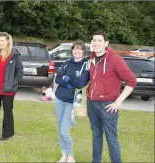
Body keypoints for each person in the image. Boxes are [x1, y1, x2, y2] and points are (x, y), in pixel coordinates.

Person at [86, 31, 136, 163]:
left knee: (111, 138)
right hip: (91, 103)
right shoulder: (91, 57)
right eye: (94, 40)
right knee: (96, 135)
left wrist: (118, 101)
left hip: (107, 105)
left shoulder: (115, 59)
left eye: (99, 40)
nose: (96, 43)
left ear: (106, 43)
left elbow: (131, 80)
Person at [54, 41, 90, 162]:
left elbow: (81, 83)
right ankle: (63, 154)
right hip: (59, 99)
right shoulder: (66, 63)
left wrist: (67, 78)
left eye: (80, 49)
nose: (77, 51)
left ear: (83, 51)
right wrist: (70, 82)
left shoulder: (86, 65)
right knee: (60, 129)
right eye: (75, 49)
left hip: (72, 103)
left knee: (64, 131)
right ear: (72, 51)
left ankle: (71, 156)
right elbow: (58, 79)